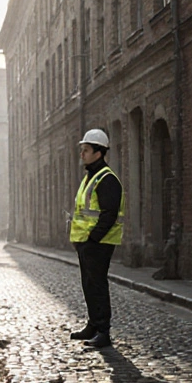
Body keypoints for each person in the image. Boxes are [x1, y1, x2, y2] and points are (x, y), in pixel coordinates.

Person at [68, 128, 124, 348]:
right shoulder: (90, 177)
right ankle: (93, 324)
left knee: (98, 285)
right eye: (82, 150)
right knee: (88, 284)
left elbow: (109, 214)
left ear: (98, 153)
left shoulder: (107, 179)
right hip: (87, 243)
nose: (82, 154)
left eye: (86, 150)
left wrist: (93, 238)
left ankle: (103, 330)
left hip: (99, 243)